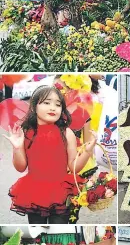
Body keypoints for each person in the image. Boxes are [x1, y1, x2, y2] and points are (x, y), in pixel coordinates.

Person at [4, 85, 97, 223]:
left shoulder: (66, 133)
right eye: (46, 103)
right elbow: (20, 167)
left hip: (61, 192)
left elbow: (74, 167)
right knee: (38, 229)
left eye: (58, 104)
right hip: (33, 192)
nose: (53, 107)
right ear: (34, 107)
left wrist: (88, 152)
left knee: (59, 226)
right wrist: (17, 148)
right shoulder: (26, 132)